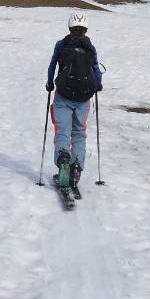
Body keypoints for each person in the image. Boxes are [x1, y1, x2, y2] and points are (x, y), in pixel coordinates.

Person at [46, 11, 103, 196]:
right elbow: (95, 69)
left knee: (62, 131)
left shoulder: (61, 44)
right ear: (85, 29)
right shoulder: (89, 47)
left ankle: (63, 158)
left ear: (69, 27)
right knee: (79, 133)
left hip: (63, 94)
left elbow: (52, 65)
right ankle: (76, 165)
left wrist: (49, 83)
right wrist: (98, 86)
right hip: (84, 98)